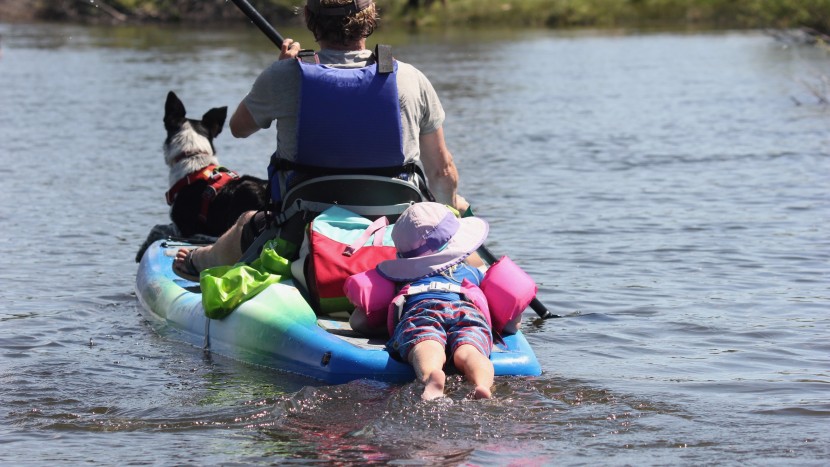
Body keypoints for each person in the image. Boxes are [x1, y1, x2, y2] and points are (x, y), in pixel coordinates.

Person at [173, 0, 469, 279]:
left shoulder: (283, 75)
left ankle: (198, 261)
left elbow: (239, 128)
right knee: (457, 203)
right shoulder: (411, 78)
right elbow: (442, 172)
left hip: (300, 232)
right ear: (370, 18)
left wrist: (281, 69)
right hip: (397, 232)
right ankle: (455, 262)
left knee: (246, 223)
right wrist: (445, 229)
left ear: (309, 19)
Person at [347, 202, 494, 400]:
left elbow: (359, 322)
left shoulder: (399, 277)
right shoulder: (471, 272)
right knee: (470, 350)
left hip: (422, 309)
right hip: (466, 309)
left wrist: (388, 330)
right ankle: (482, 385)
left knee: (426, 343)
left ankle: (431, 376)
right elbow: (505, 317)